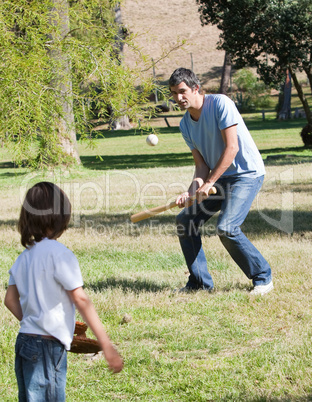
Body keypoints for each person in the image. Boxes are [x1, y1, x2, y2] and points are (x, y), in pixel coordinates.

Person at [4, 182, 123, 402]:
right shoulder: (60, 254)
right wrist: (106, 345)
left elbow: (10, 300)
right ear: (60, 218)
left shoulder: (22, 258)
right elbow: (81, 299)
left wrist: (33, 320)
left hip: (24, 343)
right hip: (48, 348)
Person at [169, 67, 273, 295]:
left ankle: (263, 278)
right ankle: (199, 283)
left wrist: (209, 183)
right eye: (174, 93)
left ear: (196, 88)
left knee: (227, 228)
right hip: (219, 178)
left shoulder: (220, 104)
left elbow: (232, 148)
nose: (178, 98)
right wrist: (191, 191)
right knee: (185, 221)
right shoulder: (185, 125)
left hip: (246, 174)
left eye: (182, 91)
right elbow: (201, 166)